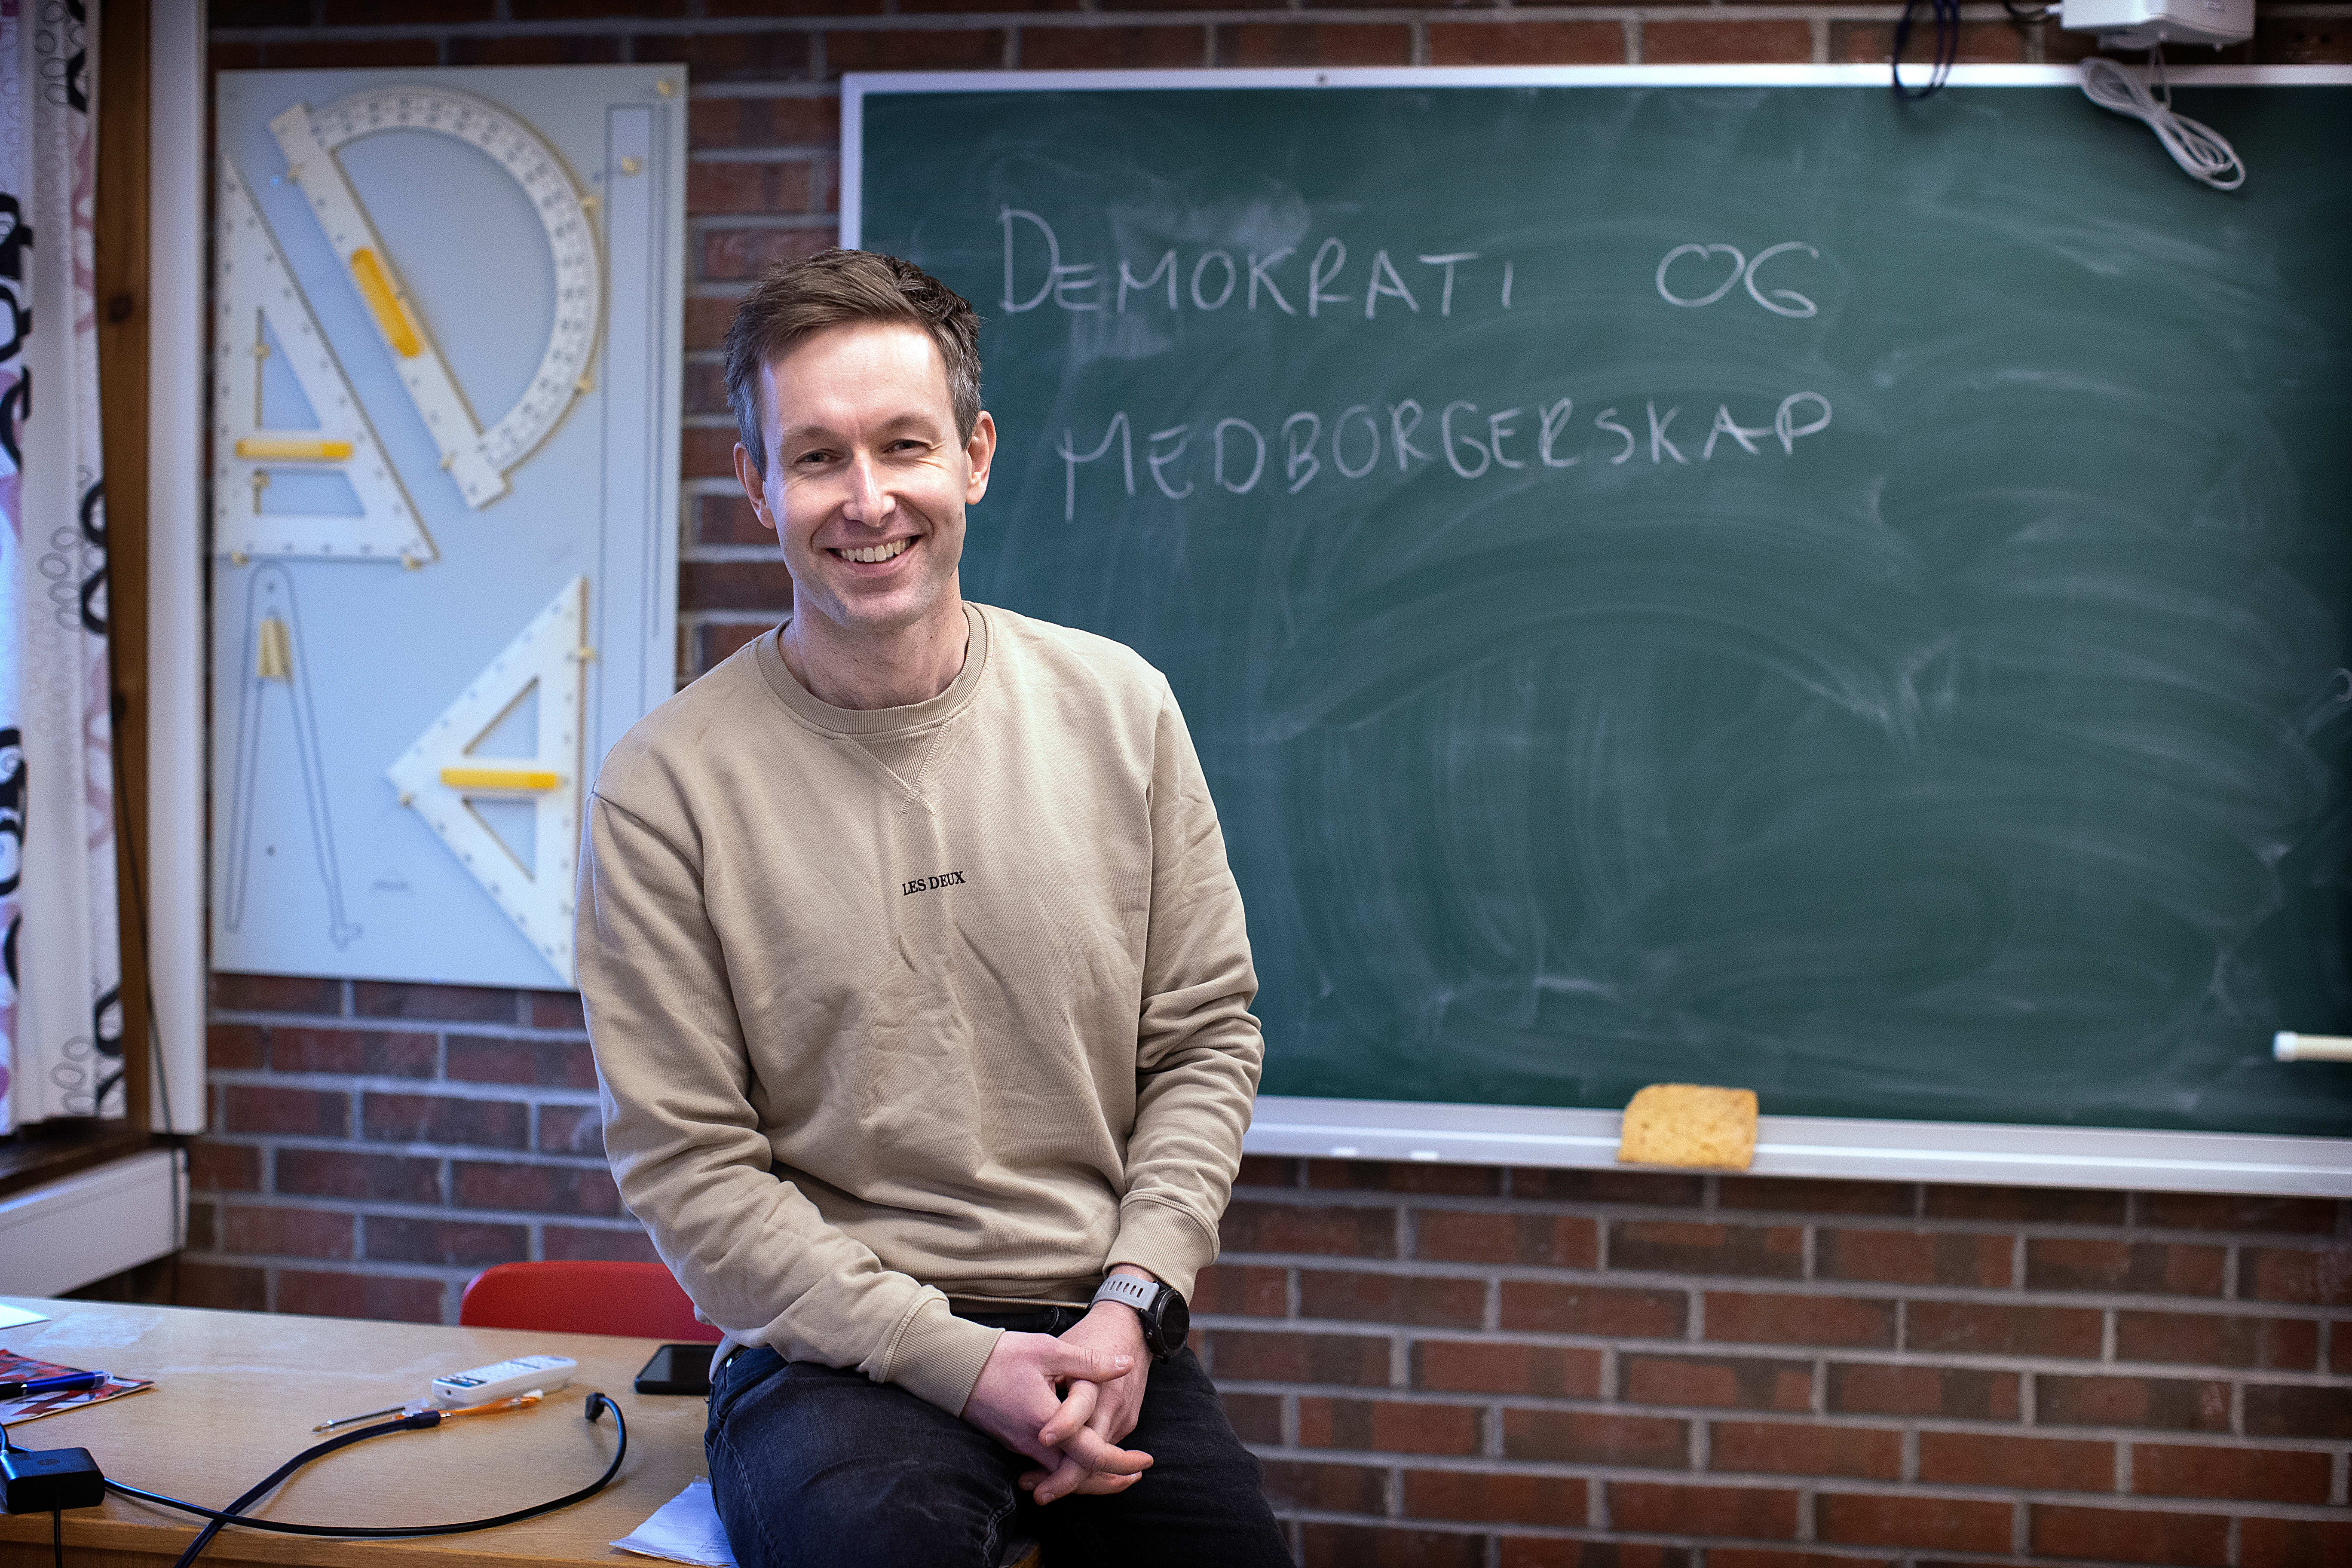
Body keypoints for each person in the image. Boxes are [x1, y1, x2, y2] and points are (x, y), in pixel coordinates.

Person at [575, 248, 1291, 1568]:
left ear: (974, 455)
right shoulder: (665, 788)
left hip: (1100, 1330)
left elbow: (1204, 1039)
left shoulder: (1120, 712)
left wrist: (1135, 1303)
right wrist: (957, 1362)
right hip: (830, 1357)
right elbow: (690, 1167)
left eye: (904, 445)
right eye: (816, 458)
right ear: (756, 486)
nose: (868, 500)